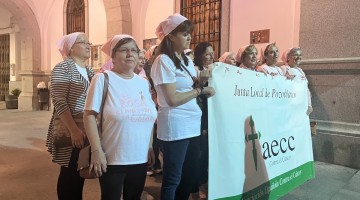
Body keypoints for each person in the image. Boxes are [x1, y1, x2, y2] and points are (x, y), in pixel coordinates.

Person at [83, 34, 157, 200]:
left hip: (140, 157)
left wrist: (150, 146)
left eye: (133, 50)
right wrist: (96, 151)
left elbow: (148, 116)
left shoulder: (143, 83)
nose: (130, 54)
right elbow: (88, 116)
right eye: (124, 50)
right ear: (113, 56)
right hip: (113, 157)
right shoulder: (102, 79)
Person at [150, 13, 215, 200]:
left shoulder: (185, 60)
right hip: (176, 127)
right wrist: (200, 91)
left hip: (192, 125)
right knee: (173, 178)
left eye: (189, 34)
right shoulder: (163, 60)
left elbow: (190, 87)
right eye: (184, 34)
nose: (189, 37)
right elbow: (171, 99)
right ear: (170, 36)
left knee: (189, 175)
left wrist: (202, 80)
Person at [46, 32, 95, 200]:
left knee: (80, 170)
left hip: (86, 126)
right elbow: (59, 101)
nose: (89, 45)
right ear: (71, 48)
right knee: (69, 175)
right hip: (70, 128)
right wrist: (73, 129)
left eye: (89, 42)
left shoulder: (89, 70)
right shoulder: (63, 67)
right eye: (83, 42)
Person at [192, 41, 216, 200]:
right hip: (199, 116)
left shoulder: (217, 70)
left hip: (212, 116)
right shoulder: (195, 71)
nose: (211, 56)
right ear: (199, 55)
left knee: (209, 153)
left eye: (212, 53)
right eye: (207, 53)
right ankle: (198, 186)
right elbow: (191, 91)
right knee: (199, 154)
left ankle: (208, 183)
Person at [280, 47, 313, 115]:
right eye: (296, 55)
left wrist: (309, 105)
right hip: (290, 107)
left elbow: (306, 89)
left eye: (300, 55)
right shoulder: (283, 69)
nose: (299, 57)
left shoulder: (300, 71)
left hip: (302, 106)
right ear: (288, 57)